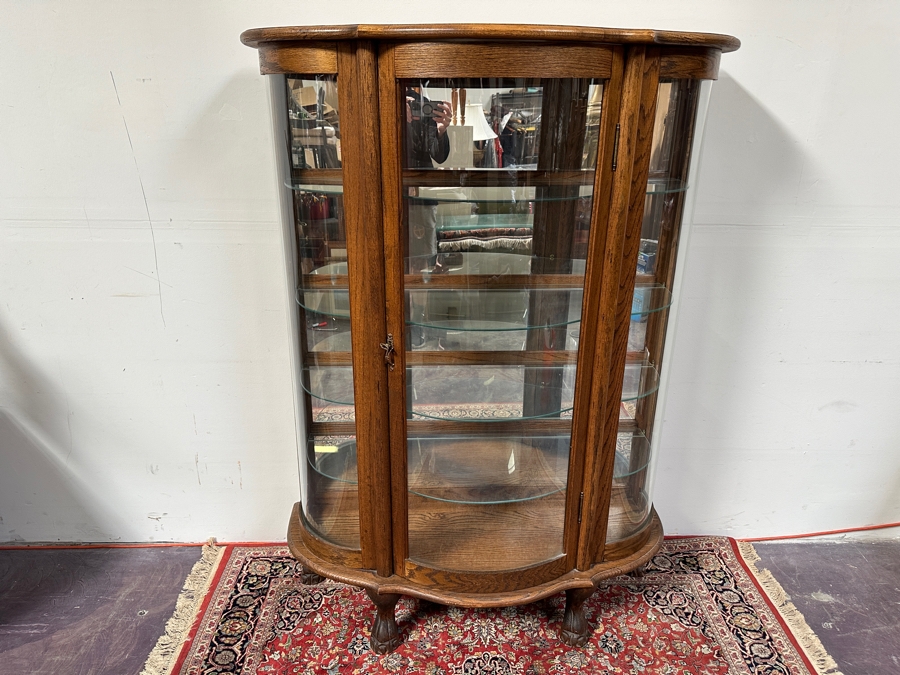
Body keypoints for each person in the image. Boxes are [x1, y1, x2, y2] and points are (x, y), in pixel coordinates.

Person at [405, 89, 453, 348]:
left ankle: (416, 323)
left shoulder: (422, 103)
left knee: (421, 263)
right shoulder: (381, 100)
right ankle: (398, 320)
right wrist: (396, 122)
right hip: (389, 197)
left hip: (421, 197)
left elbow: (437, 155)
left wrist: (442, 130)